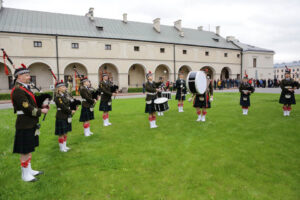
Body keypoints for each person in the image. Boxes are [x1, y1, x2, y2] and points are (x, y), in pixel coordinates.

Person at [11, 64, 49, 182]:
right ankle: (25, 174)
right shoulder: (18, 90)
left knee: (29, 147)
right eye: (26, 75)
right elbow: (27, 108)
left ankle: (29, 170)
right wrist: (40, 111)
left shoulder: (25, 88)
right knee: (25, 149)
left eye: (28, 75)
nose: (29, 77)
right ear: (19, 77)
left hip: (30, 122)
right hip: (24, 123)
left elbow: (32, 103)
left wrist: (41, 104)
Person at [54, 80, 77, 152]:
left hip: (66, 115)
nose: (65, 88)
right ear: (59, 89)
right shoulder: (58, 97)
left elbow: (69, 103)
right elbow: (63, 106)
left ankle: (64, 146)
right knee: (61, 133)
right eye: (63, 87)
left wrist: (74, 107)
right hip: (61, 115)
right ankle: (61, 148)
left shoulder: (65, 95)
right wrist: (70, 111)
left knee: (66, 131)